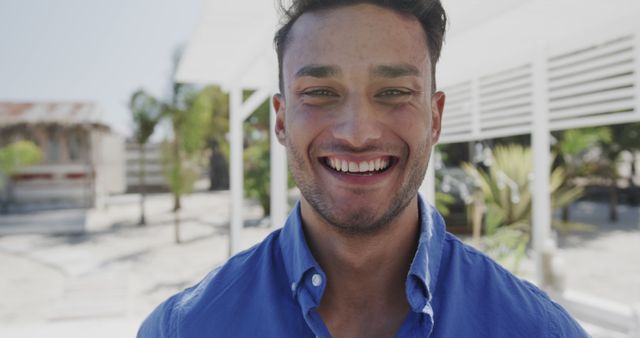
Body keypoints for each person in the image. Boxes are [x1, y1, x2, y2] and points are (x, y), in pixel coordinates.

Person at [138, 1, 588, 337]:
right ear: (280, 119)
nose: (357, 133)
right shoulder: (184, 329)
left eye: (393, 92)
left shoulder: (539, 330)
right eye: (319, 92)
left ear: (434, 119)